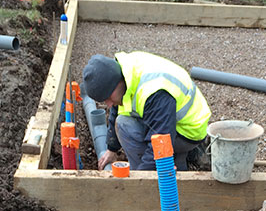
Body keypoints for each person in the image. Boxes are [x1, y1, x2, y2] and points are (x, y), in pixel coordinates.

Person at [82, 51, 211, 171]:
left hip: (188, 132)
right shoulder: (124, 73)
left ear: (117, 82)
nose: (109, 104)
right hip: (172, 120)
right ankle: (181, 155)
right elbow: (117, 110)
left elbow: (161, 142)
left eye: (109, 98)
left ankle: (176, 159)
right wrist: (112, 149)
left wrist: (142, 177)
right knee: (122, 120)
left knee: (125, 126)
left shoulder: (154, 92)